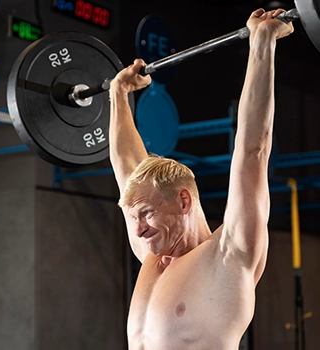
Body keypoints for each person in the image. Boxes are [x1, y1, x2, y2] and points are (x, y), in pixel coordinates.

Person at [109, 8, 294, 350]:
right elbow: (125, 164)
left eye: (146, 213)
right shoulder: (152, 253)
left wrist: (262, 43)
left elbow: (253, 151)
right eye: (134, 217)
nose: (137, 228)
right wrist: (119, 95)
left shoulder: (229, 255)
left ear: (183, 201)